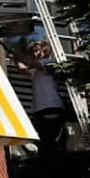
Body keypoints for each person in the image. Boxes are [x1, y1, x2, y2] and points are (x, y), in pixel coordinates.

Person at [14, 40, 67, 171]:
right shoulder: (36, 70)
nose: (35, 54)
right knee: (44, 142)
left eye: (37, 50)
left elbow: (30, 63)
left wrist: (15, 53)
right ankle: (48, 170)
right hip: (40, 109)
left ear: (45, 51)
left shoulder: (48, 63)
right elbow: (23, 69)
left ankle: (57, 170)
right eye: (33, 51)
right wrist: (15, 58)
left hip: (52, 106)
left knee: (52, 143)